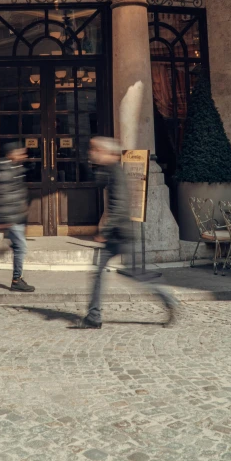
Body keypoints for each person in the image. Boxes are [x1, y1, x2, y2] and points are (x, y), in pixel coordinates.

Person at [80, 136, 177, 329]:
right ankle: (94, 315)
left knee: (134, 274)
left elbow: (119, 205)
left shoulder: (116, 172)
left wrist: (105, 231)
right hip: (119, 233)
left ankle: (168, 300)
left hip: (120, 234)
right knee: (107, 273)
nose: (92, 153)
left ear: (107, 152)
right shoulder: (110, 171)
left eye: (96, 150)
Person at [0, 142, 35, 293]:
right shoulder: (5, 171)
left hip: (17, 216)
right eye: (20, 152)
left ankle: (17, 278)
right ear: (11, 154)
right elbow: (4, 197)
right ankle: (17, 280)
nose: (24, 155)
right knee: (20, 247)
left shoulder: (15, 168)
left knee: (17, 247)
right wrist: (5, 220)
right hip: (11, 217)